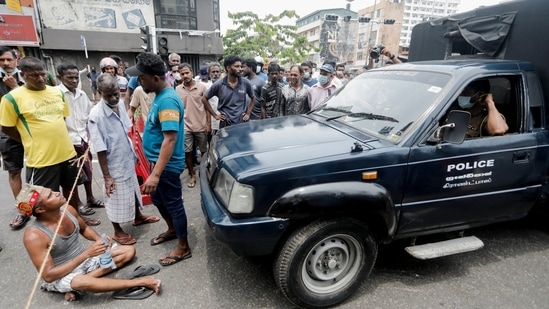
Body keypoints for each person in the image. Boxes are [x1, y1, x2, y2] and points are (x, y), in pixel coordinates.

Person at [19, 184, 161, 302]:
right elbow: (48, 275)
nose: (57, 193)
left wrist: (99, 240)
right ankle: (141, 282)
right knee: (80, 282)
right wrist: (86, 254)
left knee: (128, 251)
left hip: (85, 262)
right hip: (61, 274)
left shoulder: (67, 209)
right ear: (41, 209)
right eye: (50, 195)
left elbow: (85, 228)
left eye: (52, 191)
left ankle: (78, 287)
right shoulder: (34, 235)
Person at [0, 57, 88, 229]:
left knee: (71, 190)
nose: (40, 79)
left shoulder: (57, 92)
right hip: (41, 159)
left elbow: (61, 118)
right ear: (23, 75)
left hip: (67, 153)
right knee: (38, 199)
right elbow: (7, 128)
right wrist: (27, 139)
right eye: (34, 76)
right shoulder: (12, 98)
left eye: (42, 75)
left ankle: (74, 220)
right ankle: (30, 217)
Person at [126, 52, 192, 267]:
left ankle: (183, 247)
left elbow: (170, 140)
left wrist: (155, 175)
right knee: (158, 200)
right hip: (156, 164)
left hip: (167, 167)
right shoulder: (158, 96)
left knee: (173, 204)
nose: (138, 81)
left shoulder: (168, 102)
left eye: (141, 77)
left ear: (155, 78)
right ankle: (172, 230)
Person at [88, 73, 160, 245]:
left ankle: (138, 217)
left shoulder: (119, 103)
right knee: (114, 197)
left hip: (127, 157)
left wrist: (134, 155)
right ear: (99, 92)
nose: (113, 98)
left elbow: (127, 130)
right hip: (112, 165)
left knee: (133, 189)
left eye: (115, 93)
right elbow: (100, 149)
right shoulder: (96, 115)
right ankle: (118, 231)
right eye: (108, 95)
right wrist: (107, 177)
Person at [56, 63, 102, 226]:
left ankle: (90, 198)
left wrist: (90, 138)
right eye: (70, 77)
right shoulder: (57, 94)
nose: (74, 80)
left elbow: (89, 117)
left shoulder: (82, 95)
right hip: (67, 142)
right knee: (73, 179)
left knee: (88, 170)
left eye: (76, 77)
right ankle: (76, 208)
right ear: (60, 76)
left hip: (82, 138)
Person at [0, 46, 28, 230]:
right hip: (8, 131)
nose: (6, 63)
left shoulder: (28, 74)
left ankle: (44, 204)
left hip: (31, 128)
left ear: (16, 58)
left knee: (41, 168)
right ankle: (22, 209)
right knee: (14, 170)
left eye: (8, 59)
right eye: (2, 60)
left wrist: (15, 87)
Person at [175, 63, 209, 188]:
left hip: (201, 125)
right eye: (182, 74)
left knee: (204, 152)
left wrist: (208, 124)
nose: (185, 75)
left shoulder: (202, 88)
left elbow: (207, 107)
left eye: (187, 73)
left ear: (192, 73)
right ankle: (192, 175)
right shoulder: (178, 90)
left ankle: (205, 174)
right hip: (185, 127)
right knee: (188, 153)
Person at [201, 55, 256, 128]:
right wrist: (215, 115)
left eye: (241, 66)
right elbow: (204, 99)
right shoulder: (219, 84)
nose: (240, 69)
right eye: (237, 66)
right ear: (228, 68)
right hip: (226, 124)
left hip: (242, 122)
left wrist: (248, 113)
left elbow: (253, 97)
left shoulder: (246, 83)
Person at [203, 63, 221, 140]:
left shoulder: (226, 86)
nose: (215, 74)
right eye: (213, 72)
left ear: (220, 73)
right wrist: (208, 123)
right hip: (213, 122)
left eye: (217, 71)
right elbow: (205, 107)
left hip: (225, 122)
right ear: (209, 74)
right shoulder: (206, 87)